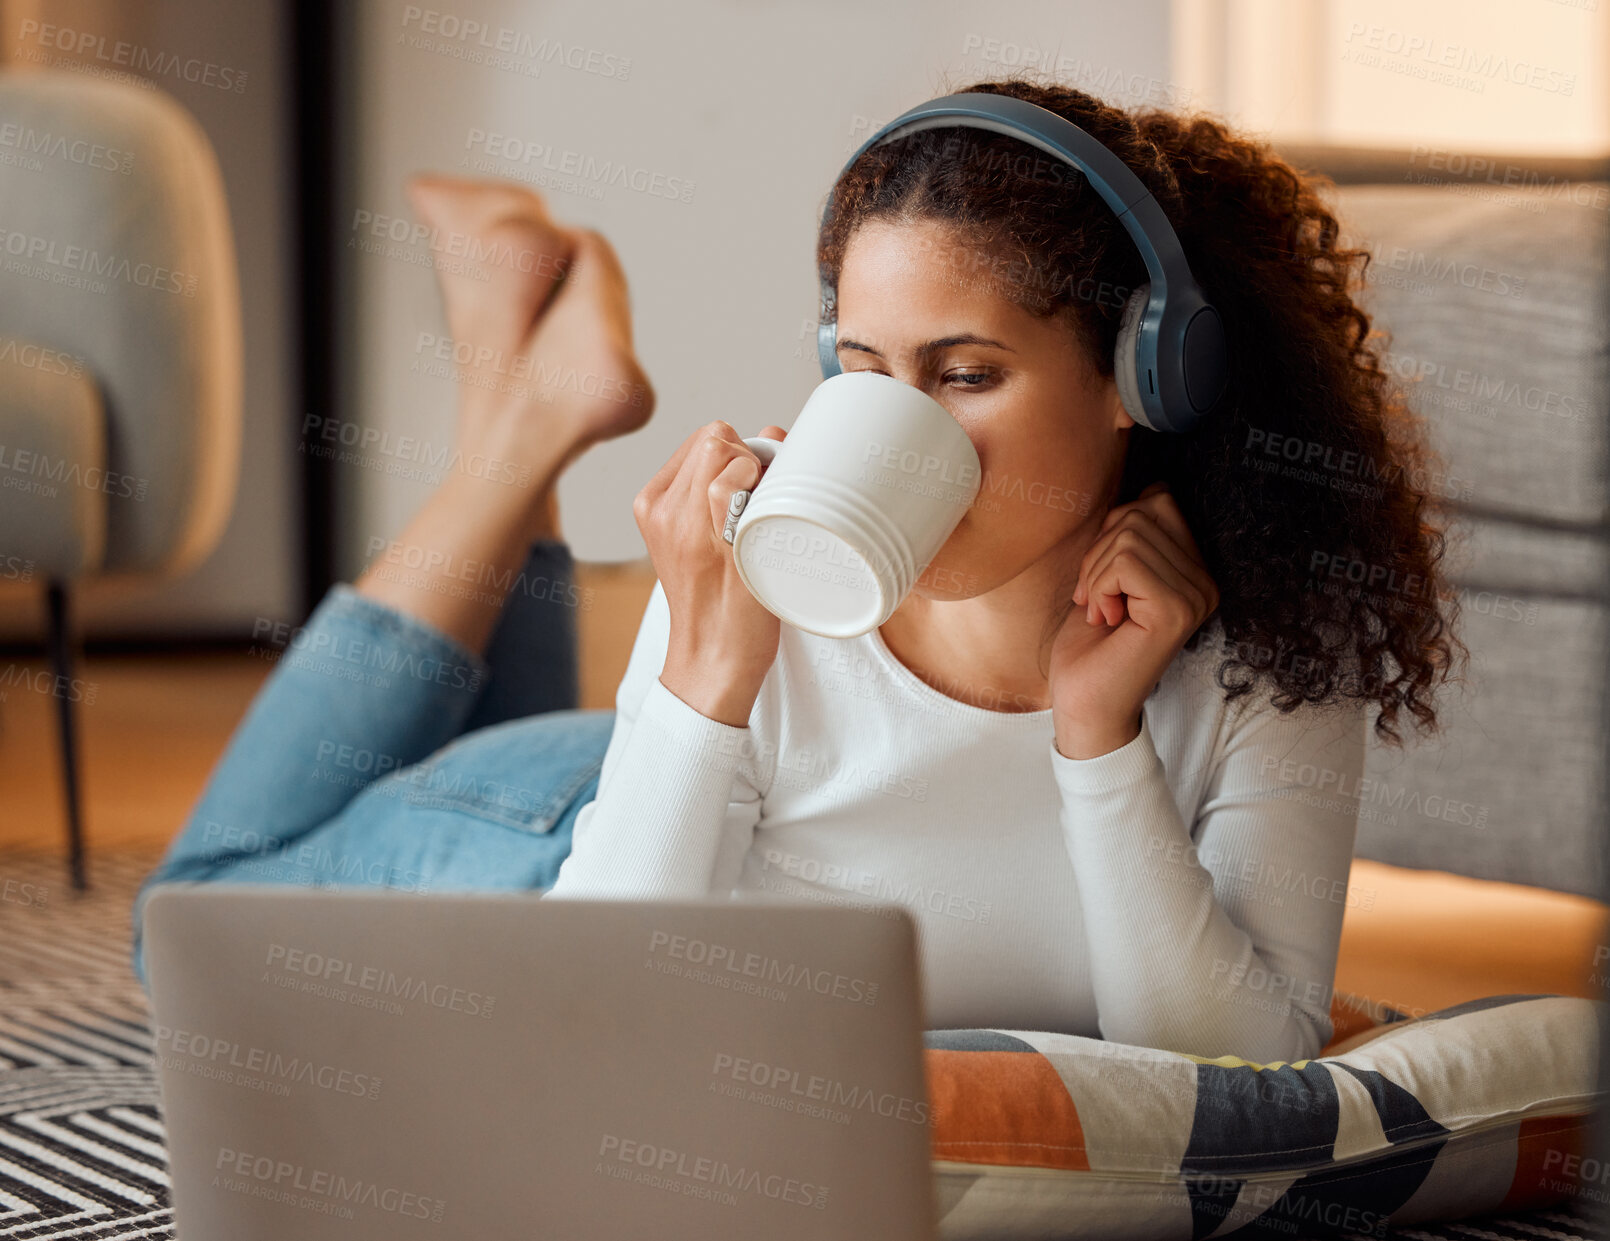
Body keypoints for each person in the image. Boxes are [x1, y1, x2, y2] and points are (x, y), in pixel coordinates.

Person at [133, 79, 1460, 1064]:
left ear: (1142, 374)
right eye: (866, 370)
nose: (904, 426)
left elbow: (1238, 1074)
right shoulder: (770, 548)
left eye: (965, 373)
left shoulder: (1276, 640)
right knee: (183, 937)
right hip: (574, 842)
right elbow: (593, 1000)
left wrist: (1096, 741)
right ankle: (523, 428)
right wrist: (708, 669)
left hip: (699, 805)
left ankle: (519, 382)